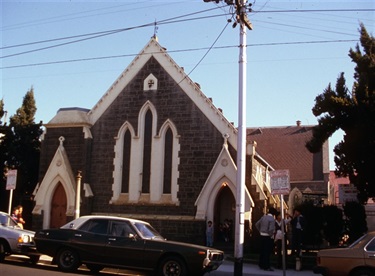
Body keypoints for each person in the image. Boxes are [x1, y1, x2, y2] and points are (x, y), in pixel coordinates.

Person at [255, 207, 277, 271]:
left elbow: (257, 224)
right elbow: (271, 229)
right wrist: (271, 235)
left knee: (262, 251)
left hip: (262, 235)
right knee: (267, 252)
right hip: (268, 236)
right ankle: (266, 266)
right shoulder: (272, 219)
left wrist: (260, 231)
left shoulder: (263, 217)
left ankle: (261, 264)